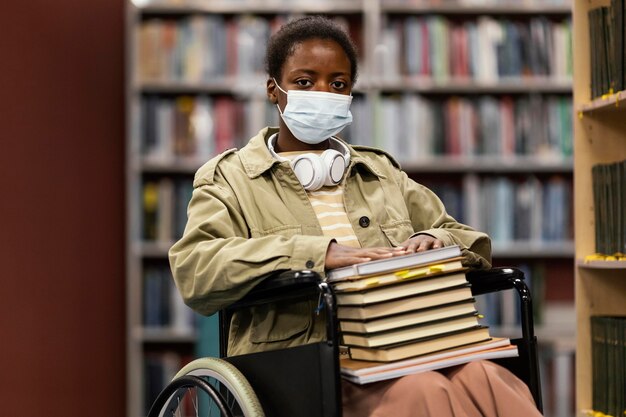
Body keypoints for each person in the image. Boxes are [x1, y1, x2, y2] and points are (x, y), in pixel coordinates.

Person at [169, 15, 542, 417]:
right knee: (425, 391)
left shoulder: (381, 172)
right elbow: (196, 269)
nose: (324, 92)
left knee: (486, 376)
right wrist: (316, 254)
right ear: (273, 90)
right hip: (304, 363)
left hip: (406, 343)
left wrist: (437, 241)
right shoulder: (230, 179)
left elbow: (468, 239)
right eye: (305, 82)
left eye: (338, 84)